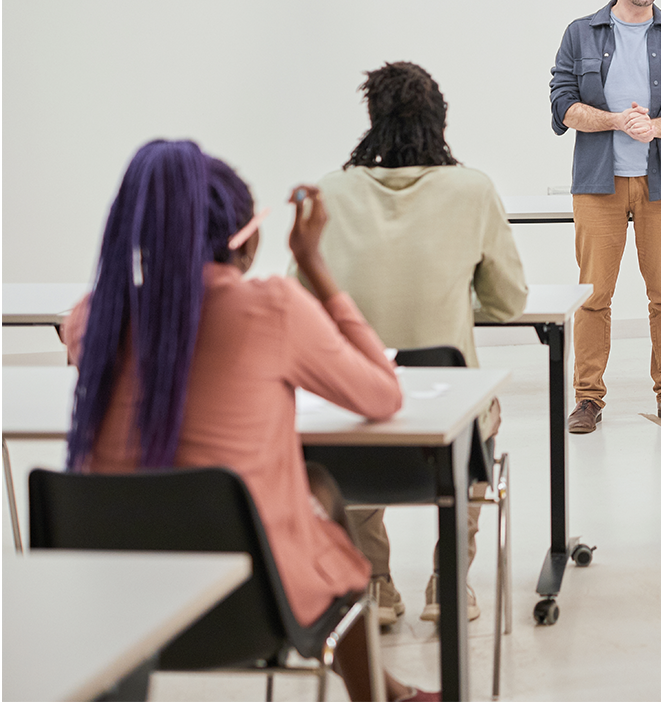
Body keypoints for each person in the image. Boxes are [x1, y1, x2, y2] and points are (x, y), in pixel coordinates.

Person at [63, 140, 438, 702]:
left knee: (314, 488)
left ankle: (387, 690)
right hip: (246, 606)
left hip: (114, 607)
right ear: (246, 236)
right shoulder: (272, 310)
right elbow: (382, 394)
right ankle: (379, 696)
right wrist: (315, 264)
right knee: (315, 496)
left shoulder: (93, 320)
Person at [313, 61, 529, 626]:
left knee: (350, 417)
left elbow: (299, 299)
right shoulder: (472, 189)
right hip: (446, 418)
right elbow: (509, 303)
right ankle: (449, 583)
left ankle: (375, 582)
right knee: (485, 416)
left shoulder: (330, 192)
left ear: (372, 120)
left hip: (355, 425)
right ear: (440, 121)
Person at [548, 0, 661, 433]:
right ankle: (588, 399)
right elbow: (562, 104)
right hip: (599, 184)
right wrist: (617, 121)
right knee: (594, 296)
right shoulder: (581, 33)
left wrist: (656, 127)